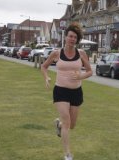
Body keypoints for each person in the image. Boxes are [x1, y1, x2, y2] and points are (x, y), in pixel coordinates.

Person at [41, 22, 93, 160]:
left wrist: (81, 76)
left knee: (72, 125)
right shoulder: (56, 53)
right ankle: (67, 154)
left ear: (77, 40)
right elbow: (44, 66)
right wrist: (46, 77)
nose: (72, 39)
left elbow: (89, 71)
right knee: (67, 122)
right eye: (70, 36)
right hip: (60, 91)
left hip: (76, 92)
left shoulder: (81, 53)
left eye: (74, 37)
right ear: (66, 37)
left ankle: (59, 124)